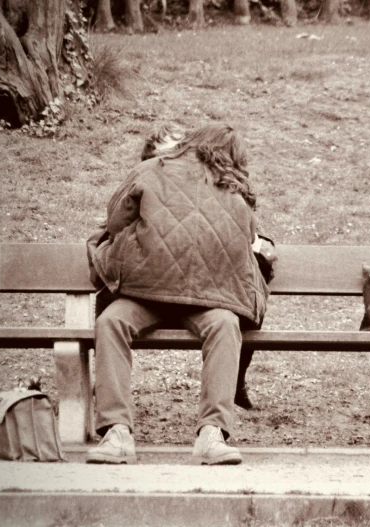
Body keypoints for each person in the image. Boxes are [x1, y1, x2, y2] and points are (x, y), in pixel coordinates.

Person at [85, 123, 275, 465]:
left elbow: (115, 221)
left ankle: (116, 435)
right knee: (225, 324)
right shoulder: (234, 186)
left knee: (111, 321)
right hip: (204, 297)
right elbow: (250, 238)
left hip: (147, 292)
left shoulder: (148, 169)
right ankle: (212, 436)